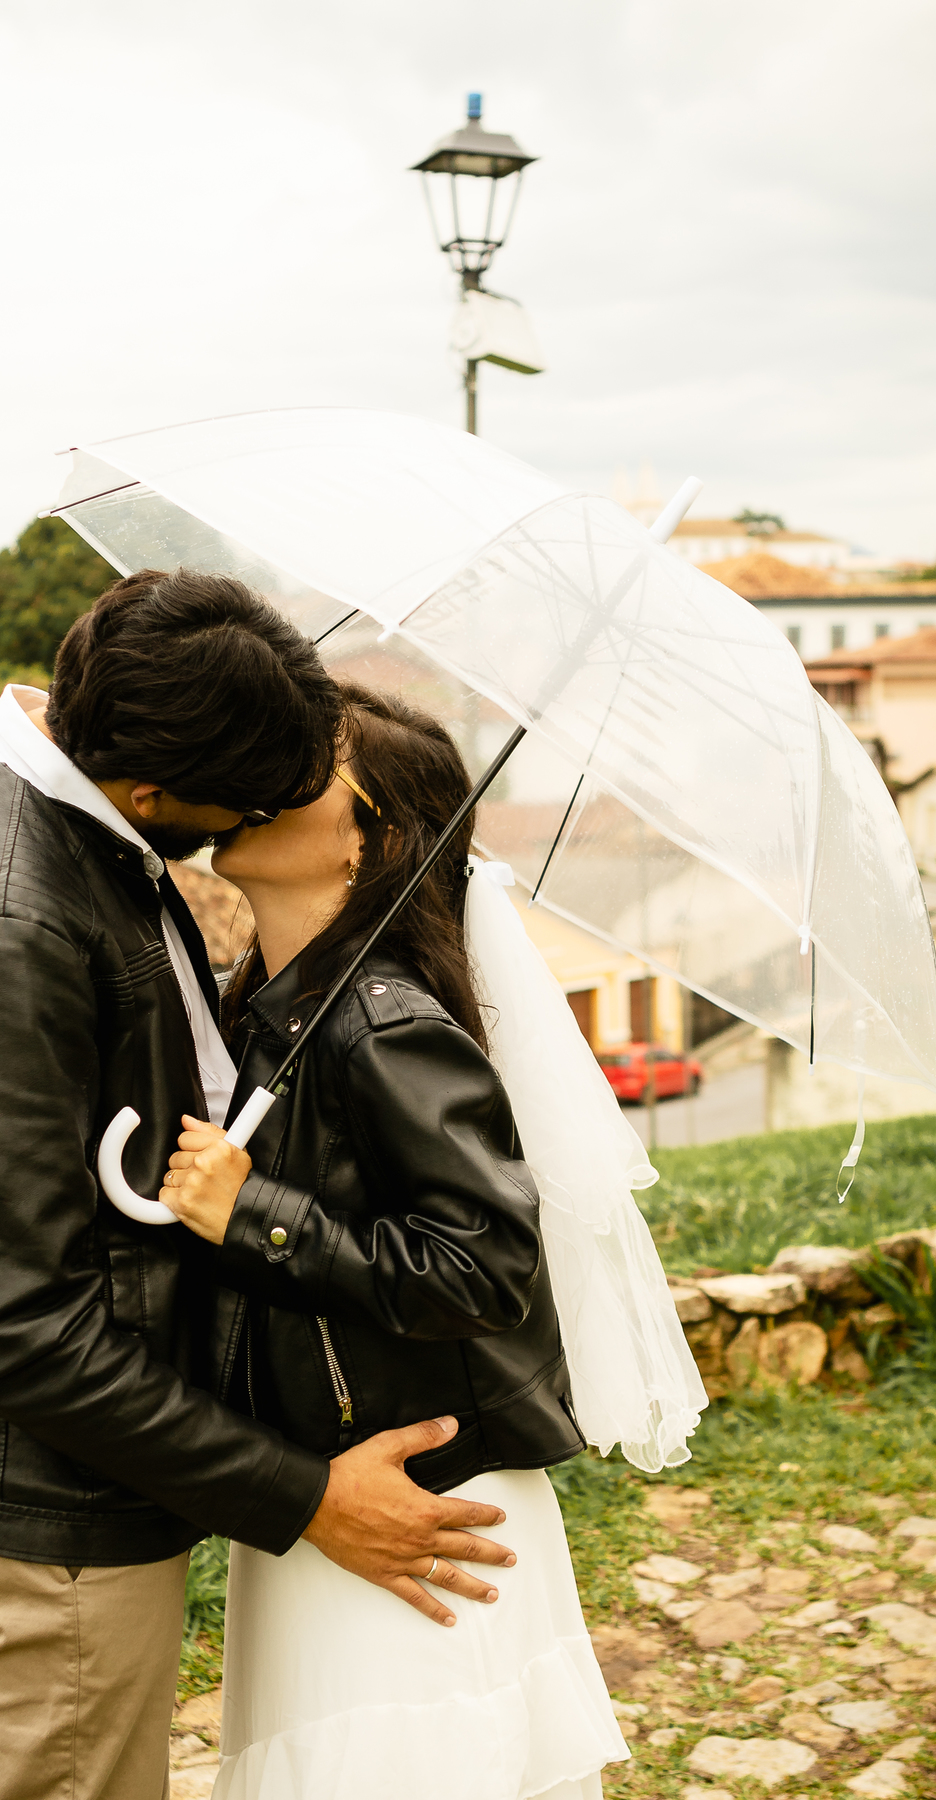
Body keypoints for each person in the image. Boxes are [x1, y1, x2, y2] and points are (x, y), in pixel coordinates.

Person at [0, 576, 517, 1800]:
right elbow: (25, 1331)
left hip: (107, 1459)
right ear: (151, 791)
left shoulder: (83, 809)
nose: (256, 820)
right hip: (52, 1491)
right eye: (242, 808)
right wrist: (306, 1498)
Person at [159, 685, 639, 1800]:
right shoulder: (266, 1010)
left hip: (426, 1506)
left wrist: (255, 1214)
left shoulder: (383, 1023)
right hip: (338, 1489)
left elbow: (485, 1265)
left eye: (306, 768)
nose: (266, 779)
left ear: (368, 839)